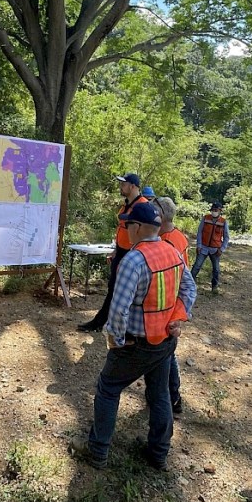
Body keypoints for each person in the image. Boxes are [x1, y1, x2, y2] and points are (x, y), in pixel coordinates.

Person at [73, 202, 196, 470]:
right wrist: (177, 317)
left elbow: (118, 310)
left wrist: (116, 341)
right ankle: (158, 453)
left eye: (128, 224)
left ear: (138, 227)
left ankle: (97, 451)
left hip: (136, 343)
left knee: (108, 388)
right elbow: (190, 288)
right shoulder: (172, 252)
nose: (126, 229)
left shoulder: (133, 260)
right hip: (164, 342)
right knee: (160, 394)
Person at [78, 173, 148, 332]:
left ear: (133, 186)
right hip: (121, 252)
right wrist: (116, 249)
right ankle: (101, 323)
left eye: (124, 184)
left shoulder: (143, 206)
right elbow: (122, 229)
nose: (120, 187)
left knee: (124, 292)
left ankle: (109, 325)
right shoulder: (126, 205)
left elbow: (146, 233)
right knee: (113, 288)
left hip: (133, 254)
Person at [156, 196, 188, 414]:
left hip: (167, 305)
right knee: (167, 353)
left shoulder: (169, 241)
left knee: (167, 354)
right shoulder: (177, 236)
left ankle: (173, 397)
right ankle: (170, 397)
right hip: (170, 304)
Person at [191, 202, 229, 293]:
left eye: (216, 210)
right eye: (213, 210)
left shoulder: (223, 222)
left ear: (220, 211)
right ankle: (189, 284)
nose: (214, 212)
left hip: (215, 249)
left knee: (216, 269)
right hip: (203, 247)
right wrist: (199, 245)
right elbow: (199, 232)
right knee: (196, 266)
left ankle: (214, 287)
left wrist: (221, 249)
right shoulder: (205, 218)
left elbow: (226, 237)